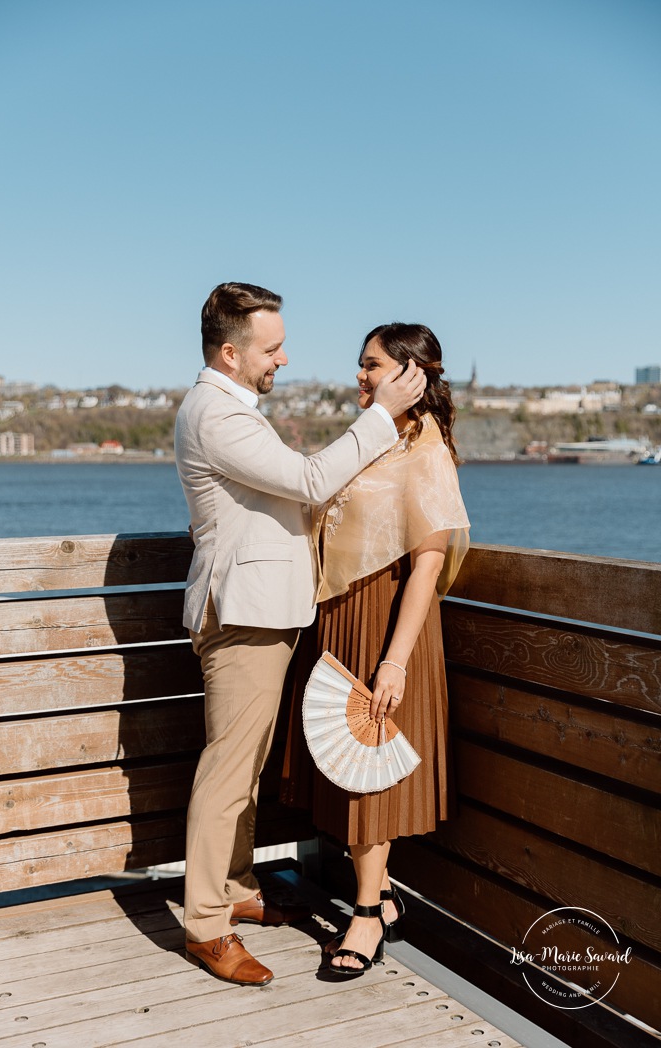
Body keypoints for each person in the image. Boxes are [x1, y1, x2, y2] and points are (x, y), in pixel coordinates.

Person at [174, 283, 426, 988]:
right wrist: (382, 416)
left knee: (242, 766)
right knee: (226, 772)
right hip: (245, 616)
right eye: (272, 347)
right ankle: (204, 926)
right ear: (231, 352)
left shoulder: (232, 411)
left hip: (264, 611)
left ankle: (233, 887)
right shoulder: (218, 415)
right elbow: (312, 481)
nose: (283, 359)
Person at [281, 322, 470, 975]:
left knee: (369, 777)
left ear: (409, 374)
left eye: (371, 365)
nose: (359, 376)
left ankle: (363, 917)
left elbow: (426, 563)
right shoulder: (371, 440)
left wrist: (393, 659)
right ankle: (382, 892)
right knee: (346, 769)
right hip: (339, 620)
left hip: (387, 623)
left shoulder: (425, 451)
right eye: (359, 365)